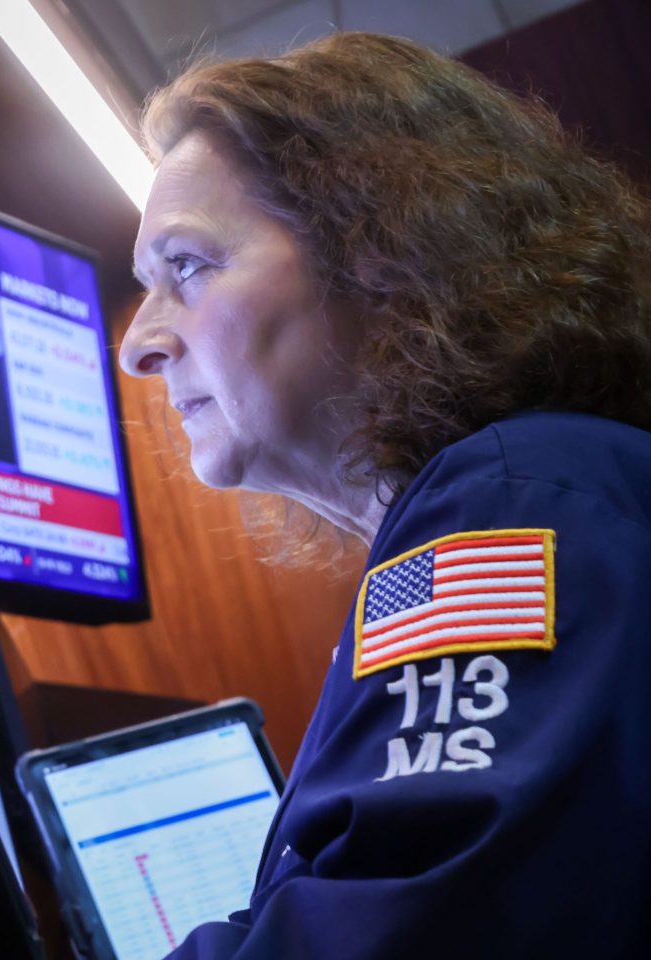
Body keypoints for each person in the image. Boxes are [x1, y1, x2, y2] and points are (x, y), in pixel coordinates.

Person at [117, 32, 651, 958]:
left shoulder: (511, 502)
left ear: (379, 249)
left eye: (189, 267)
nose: (139, 344)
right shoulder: (540, 485)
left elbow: (405, 928)